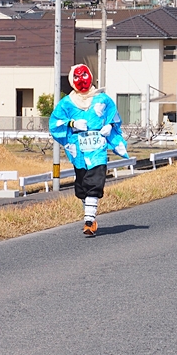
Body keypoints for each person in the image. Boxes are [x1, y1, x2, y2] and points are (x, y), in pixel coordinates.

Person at [50, 64, 128, 236]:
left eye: (84, 75)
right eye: (76, 77)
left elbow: (114, 117)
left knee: (95, 180)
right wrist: (72, 123)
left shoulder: (103, 99)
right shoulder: (66, 103)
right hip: (79, 150)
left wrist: (109, 126)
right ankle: (90, 213)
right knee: (82, 186)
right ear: (71, 80)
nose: (81, 80)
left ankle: (89, 221)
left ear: (90, 76)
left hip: (97, 148)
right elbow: (55, 123)